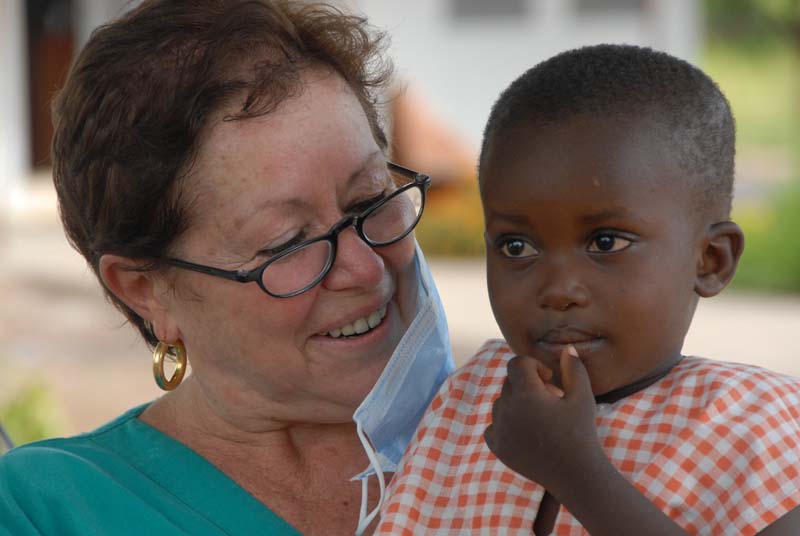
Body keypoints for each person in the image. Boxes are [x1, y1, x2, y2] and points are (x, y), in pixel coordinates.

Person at [0, 1, 455, 535]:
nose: (364, 266)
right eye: (287, 242)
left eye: (370, 199)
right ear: (146, 290)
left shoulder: (529, 435)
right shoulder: (45, 509)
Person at [377, 44, 800, 535]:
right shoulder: (462, 408)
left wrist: (575, 471)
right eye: (516, 247)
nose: (558, 290)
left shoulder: (764, 431)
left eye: (605, 242)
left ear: (711, 260)